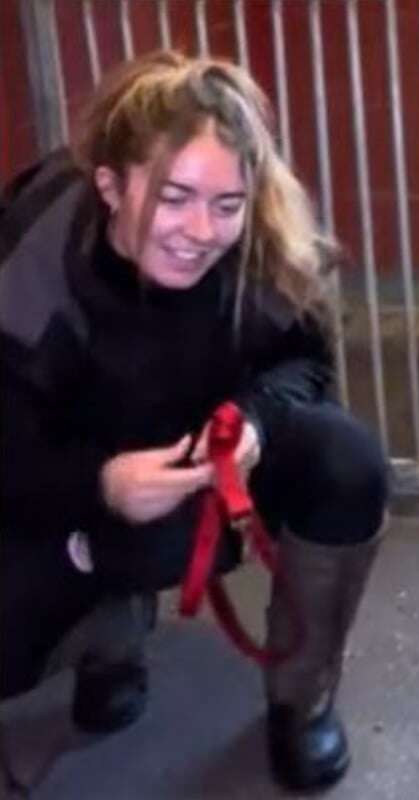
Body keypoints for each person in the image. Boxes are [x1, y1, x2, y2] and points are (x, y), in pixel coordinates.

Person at [0, 51, 390, 792]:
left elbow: (307, 366)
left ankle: (301, 701)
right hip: (74, 489)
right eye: (174, 197)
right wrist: (99, 486)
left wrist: (255, 422)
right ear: (111, 186)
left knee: (347, 460)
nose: (202, 231)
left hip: (205, 468)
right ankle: (107, 640)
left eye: (227, 203)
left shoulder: (265, 240)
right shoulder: (28, 265)